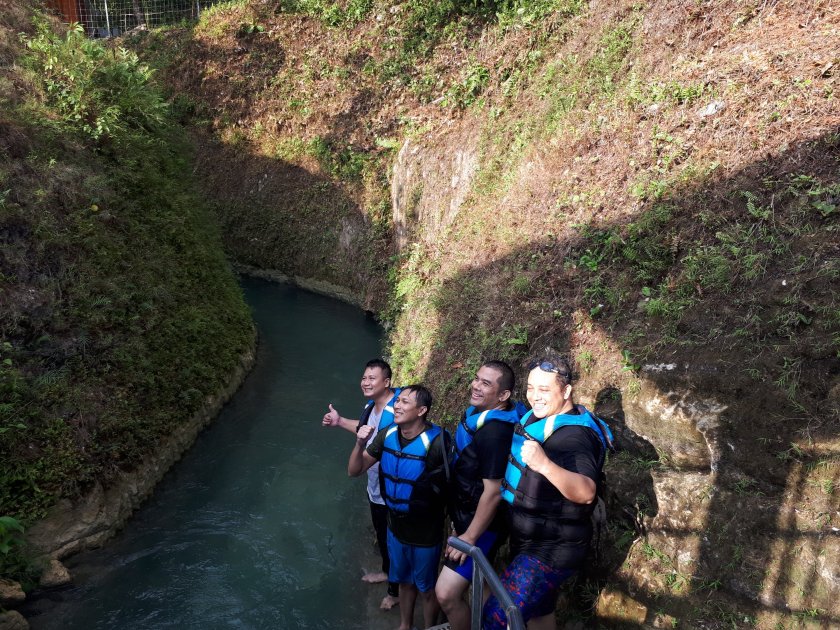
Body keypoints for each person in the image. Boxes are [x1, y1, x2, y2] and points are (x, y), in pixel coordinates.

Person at [483, 355, 614, 630]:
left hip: (551, 550)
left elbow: (586, 492)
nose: (535, 397)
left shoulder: (575, 437)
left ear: (566, 391)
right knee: (540, 614)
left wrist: (544, 465)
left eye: (544, 389)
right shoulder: (539, 417)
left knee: (498, 615)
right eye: (531, 388)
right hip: (530, 539)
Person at [348, 385, 449, 630]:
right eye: (398, 401)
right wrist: (360, 444)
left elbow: (450, 489)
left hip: (426, 532)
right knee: (404, 581)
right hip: (395, 525)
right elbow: (354, 470)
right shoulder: (387, 434)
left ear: (421, 410)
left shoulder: (438, 442)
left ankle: (429, 627)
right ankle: (405, 625)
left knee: (426, 588)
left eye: (405, 402)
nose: (397, 406)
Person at [435, 360, 522, 630]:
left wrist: (469, 537)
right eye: (476, 378)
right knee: (480, 582)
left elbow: (493, 492)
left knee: (446, 593)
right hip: (466, 517)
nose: (476, 386)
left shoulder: (495, 432)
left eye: (486, 383)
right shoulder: (478, 414)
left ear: (503, 395)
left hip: (482, 526)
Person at [322, 358, 400, 609]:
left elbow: (367, 453)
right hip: (376, 486)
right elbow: (365, 429)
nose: (365, 382)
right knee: (382, 535)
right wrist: (340, 421)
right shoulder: (373, 406)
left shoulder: (394, 414)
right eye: (364, 377)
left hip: (391, 491)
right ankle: (388, 573)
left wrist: (358, 457)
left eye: (372, 378)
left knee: (392, 540)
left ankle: (395, 592)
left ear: (386, 382)